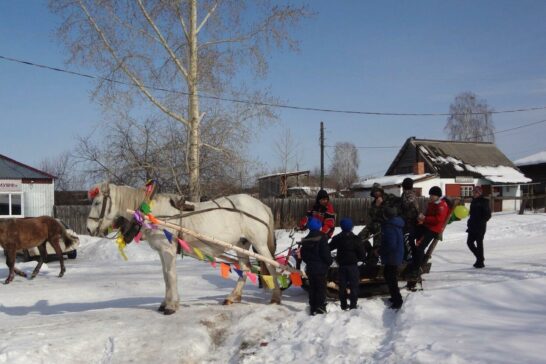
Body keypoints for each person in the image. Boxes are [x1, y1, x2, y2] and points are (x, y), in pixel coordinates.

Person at [407, 186, 450, 288]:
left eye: (432, 195)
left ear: (437, 196)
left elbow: (438, 220)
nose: (430, 196)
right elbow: (427, 214)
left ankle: (416, 268)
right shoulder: (431, 203)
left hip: (434, 229)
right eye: (430, 195)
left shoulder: (441, 205)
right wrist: (422, 219)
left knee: (420, 246)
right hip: (426, 226)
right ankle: (416, 257)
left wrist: (425, 218)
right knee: (411, 236)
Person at [358, 183, 401, 265]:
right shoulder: (374, 203)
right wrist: (377, 206)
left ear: (381, 191)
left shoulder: (390, 197)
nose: (376, 193)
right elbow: (372, 215)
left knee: (377, 240)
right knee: (360, 237)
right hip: (375, 223)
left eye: (377, 191)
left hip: (385, 224)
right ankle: (370, 251)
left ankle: (374, 257)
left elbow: (398, 204)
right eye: (374, 192)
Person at [329, 218, 366, 310]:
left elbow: (328, 248)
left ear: (341, 227)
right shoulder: (356, 239)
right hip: (353, 266)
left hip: (342, 266)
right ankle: (353, 305)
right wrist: (358, 258)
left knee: (342, 286)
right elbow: (362, 255)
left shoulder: (337, 238)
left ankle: (343, 305)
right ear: (352, 227)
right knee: (354, 286)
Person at [300, 217, 333, 315]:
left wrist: (310, 262)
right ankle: (320, 307)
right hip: (321, 268)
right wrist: (329, 262)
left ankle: (313, 306)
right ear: (319, 227)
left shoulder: (305, 240)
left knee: (313, 288)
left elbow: (303, 255)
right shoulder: (322, 237)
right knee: (321, 288)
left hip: (310, 268)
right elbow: (325, 253)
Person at [379, 206, 405, 309]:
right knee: (389, 275)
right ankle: (395, 297)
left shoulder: (389, 226)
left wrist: (380, 251)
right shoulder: (396, 223)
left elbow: (391, 244)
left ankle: (397, 301)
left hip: (392, 255)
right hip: (396, 254)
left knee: (391, 278)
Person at [466, 186, 491, 268]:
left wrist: (481, 222)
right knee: (469, 243)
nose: (474, 193)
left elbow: (488, 215)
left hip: (480, 226)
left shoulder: (484, 201)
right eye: (473, 192)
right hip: (472, 225)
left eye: (476, 192)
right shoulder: (473, 201)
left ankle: (480, 261)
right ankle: (480, 258)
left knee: (479, 243)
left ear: (480, 193)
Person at [399, 177, 420, 262]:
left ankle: (410, 258)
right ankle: (410, 257)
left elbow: (407, 207)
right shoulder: (410, 193)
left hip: (409, 221)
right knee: (408, 240)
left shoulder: (408, 194)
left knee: (408, 240)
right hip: (410, 221)